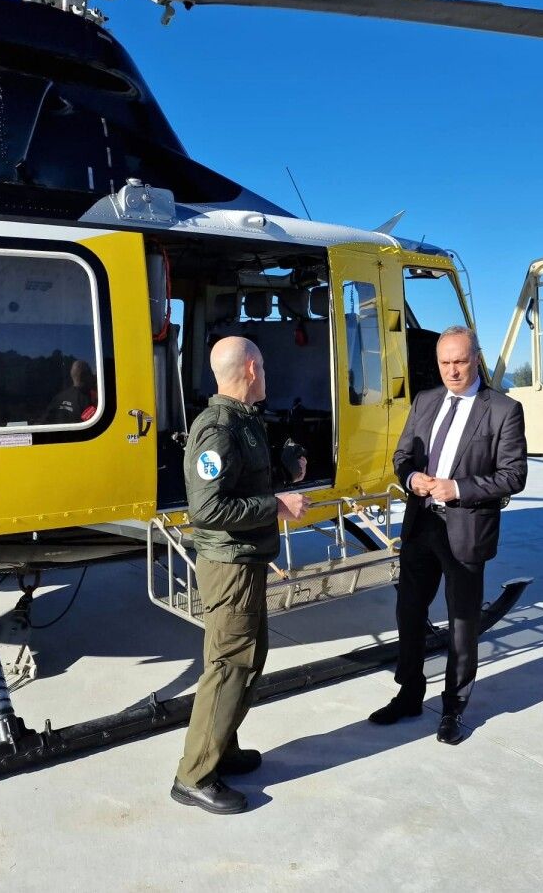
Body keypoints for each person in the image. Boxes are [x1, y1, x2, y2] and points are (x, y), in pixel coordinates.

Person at [368, 326, 527, 744]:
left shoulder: (503, 409)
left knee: (461, 621)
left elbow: (514, 475)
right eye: (445, 362)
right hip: (422, 524)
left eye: (460, 361)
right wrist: (413, 477)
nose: (452, 370)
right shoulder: (425, 400)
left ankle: (454, 707)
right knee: (409, 612)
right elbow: (402, 455)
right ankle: (409, 693)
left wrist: (458, 489)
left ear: (476, 357)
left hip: (466, 530)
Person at [170, 336, 309, 815]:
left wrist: (285, 473)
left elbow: (241, 483)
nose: (266, 374)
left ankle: (221, 747)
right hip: (228, 566)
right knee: (231, 664)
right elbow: (207, 508)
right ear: (250, 368)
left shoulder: (244, 421)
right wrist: (278, 506)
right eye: (264, 365)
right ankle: (195, 776)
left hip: (243, 561)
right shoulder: (218, 428)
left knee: (247, 659)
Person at [40, 359, 96, 424]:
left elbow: (44, 420)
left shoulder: (59, 397)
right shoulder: (89, 399)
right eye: (90, 373)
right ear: (84, 375)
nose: (92, 375)